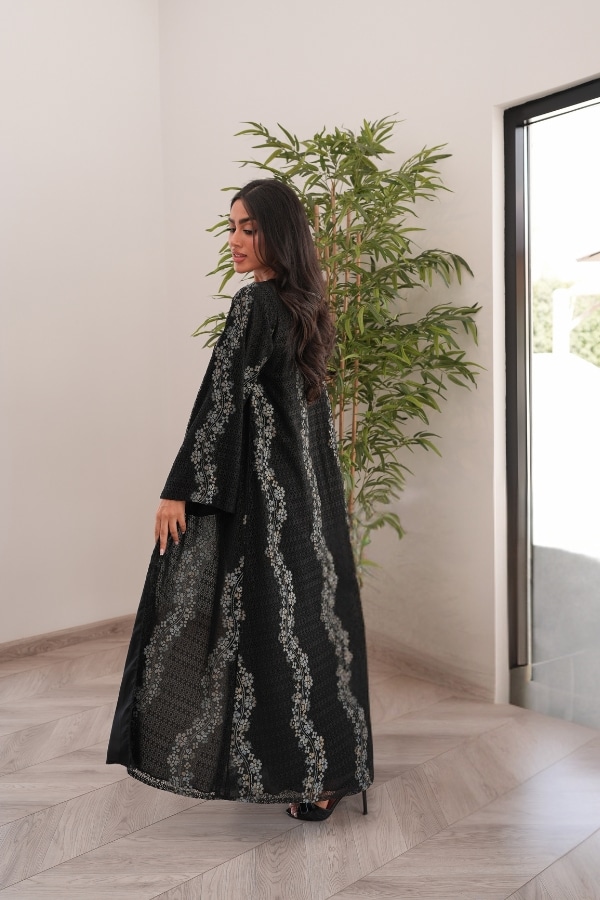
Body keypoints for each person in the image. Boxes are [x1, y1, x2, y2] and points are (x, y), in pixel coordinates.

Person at [107, 178, 374, 821]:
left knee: (266, 632)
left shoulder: (254, 303)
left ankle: (313, 773)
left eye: (248, 229)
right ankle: (328, 771)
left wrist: (179, 490)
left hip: (267, 502)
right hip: (307, 498)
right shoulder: (308, 304)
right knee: (306, 631)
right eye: (232, 227)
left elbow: (220, 400)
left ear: (278, 234)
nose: (234, 240)